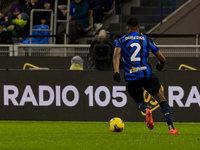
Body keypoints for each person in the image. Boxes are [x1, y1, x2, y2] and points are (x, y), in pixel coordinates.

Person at [112, 17, 180, 134]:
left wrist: (116, 72)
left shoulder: (121, 41)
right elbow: (162, 58)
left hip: (131, 76)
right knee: (161, 99)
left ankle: (146, 109)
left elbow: (116, 55)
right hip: (147, 74)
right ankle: (171, 128)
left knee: (139, 101)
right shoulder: (146, 40)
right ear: (138, 28)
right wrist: (160, 65)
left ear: (127, 28)